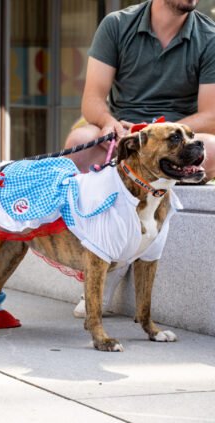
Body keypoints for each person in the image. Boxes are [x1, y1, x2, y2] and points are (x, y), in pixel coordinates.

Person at [64, 0, 215, 317]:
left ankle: (110, 270)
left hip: (177, 140)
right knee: (79, 141)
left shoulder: (210, 35)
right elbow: (92, 100)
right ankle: (93, 260)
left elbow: (211, 115)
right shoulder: (117, 25)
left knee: (213, 147)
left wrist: (162, 132)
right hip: (126, 140)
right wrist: (109, 124)